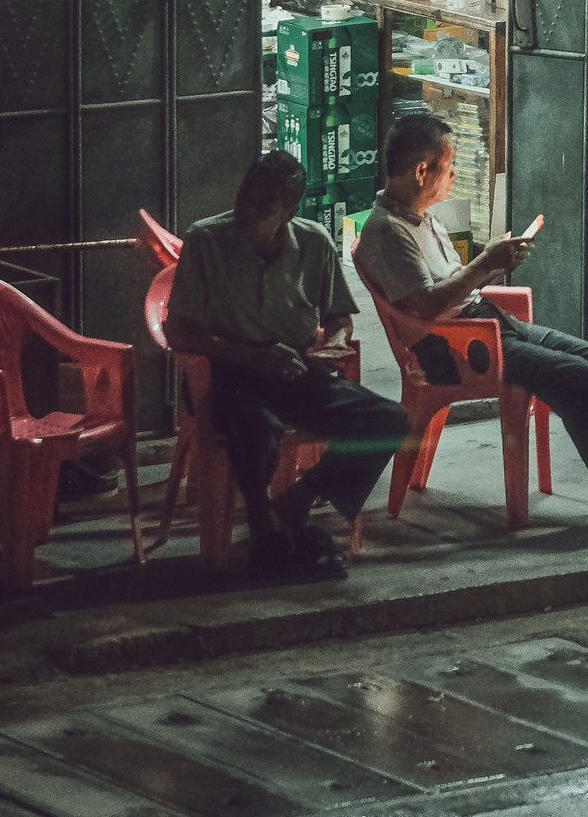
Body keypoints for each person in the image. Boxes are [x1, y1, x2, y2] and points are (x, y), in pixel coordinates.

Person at [353, 115, 588, 524]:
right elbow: (429, 306)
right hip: (455, 346)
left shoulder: (421, 214)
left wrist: (491, 265)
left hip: (483, 321)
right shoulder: (388, 232)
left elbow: (453, 284)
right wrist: (484, 262)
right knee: (577, 375)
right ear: (420, 171)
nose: (453, 175)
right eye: (449, 166)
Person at [165, 151, 409, 580]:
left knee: (387, 419)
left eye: (264, 204)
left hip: (296, 370)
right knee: (256, 427)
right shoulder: (206, 240)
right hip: (231, 372)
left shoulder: (313, 242)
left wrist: (326, 350)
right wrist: (251, 355)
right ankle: (262, 518)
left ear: (289, 211)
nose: (248, 210)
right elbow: (179, 333)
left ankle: (298, 501)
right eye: (246, 197)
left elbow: (338, 319)